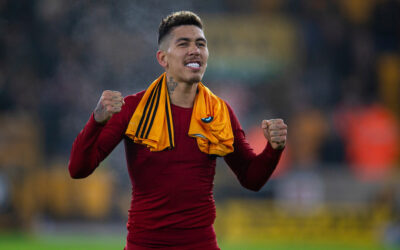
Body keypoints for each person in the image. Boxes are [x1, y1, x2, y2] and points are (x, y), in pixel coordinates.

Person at [68, 11, 287, 250]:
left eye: (200, 44)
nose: (195, 50)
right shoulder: (133, 109)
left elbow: (251, 178)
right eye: (184, 43)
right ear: (163, 58)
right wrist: (96, 122)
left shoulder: (220, 111)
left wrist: (273, 150)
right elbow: (79, 168)